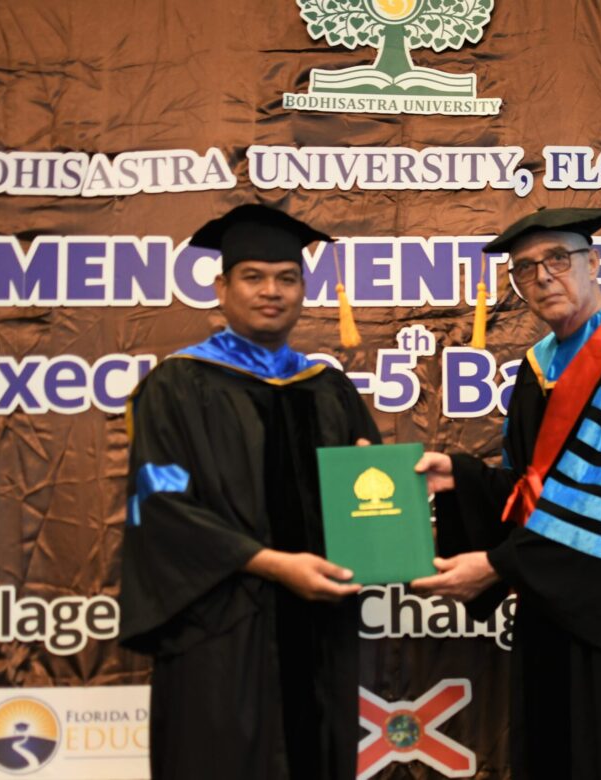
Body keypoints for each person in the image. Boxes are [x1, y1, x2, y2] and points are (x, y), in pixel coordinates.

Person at [412, 207, 601, 779]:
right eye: (525, 268)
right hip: (556, 607)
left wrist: (501, 565)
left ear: (593, 262)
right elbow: (535, 489)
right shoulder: (536, 371)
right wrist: (459, 476)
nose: (543, 277)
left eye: (557, 259)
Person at [117, 203, 379, 780]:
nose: (272, 291)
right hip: (222, 627)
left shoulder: (329, 389)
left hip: (318, 628)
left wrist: (389, 505)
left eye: (287, 278)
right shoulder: (177, 386)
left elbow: (369, 502)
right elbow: (160, 506)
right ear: (222, 289)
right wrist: (273, 564)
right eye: (253, 277)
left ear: (303, 291)